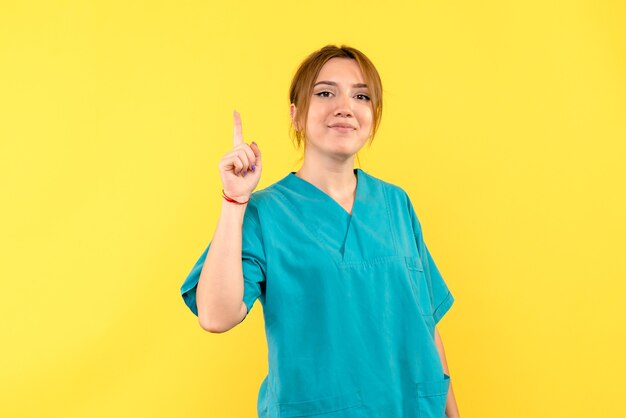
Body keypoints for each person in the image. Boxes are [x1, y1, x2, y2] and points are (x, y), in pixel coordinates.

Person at [180, 44, 460, 418]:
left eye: (361, 96)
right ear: (296, 115)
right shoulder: (266, 212)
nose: (345, 106)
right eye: (325, 92)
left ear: (372, 116)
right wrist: (234, 202)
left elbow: (426, 326)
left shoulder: (396, 204)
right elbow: (215, 316)